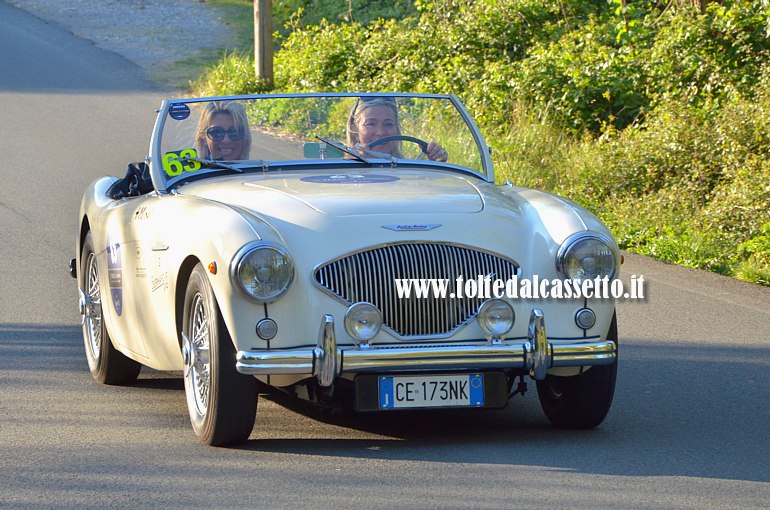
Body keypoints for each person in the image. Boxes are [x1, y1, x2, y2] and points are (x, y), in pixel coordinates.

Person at [346, 97, 448, 162]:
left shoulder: (411, 172)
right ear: (354, 129)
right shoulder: (338, 172)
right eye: (371, 124)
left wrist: (435, 165)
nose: (380, 133)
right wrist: (352, 164)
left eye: (388, 124)